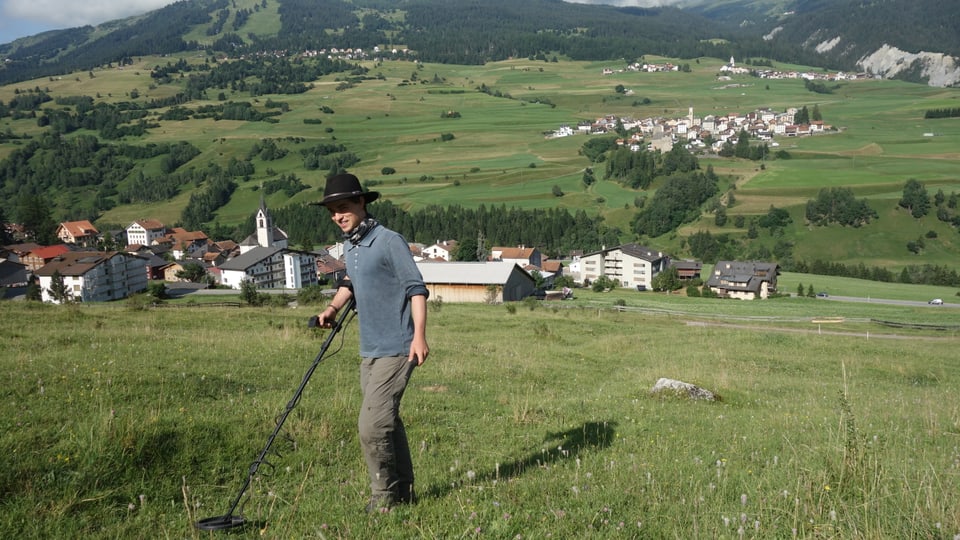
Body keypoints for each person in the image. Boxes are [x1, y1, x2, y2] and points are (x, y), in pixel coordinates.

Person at [313, 173, 429, 513]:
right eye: (332, 211)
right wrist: (331, 308)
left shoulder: (389, 241)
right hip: (370, 350)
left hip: (398, 346)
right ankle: (405, 493)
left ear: (362, 203)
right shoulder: (351, 245)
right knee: (388, 420)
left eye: (343, 207)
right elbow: (350, 282)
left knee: (372, 425)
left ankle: (384, 499)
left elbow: (416, 288)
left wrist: (419, 336)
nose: (338, 216)